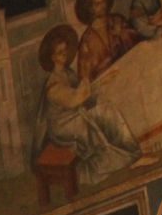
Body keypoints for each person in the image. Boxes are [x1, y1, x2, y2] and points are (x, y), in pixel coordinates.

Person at [35, 24, 143, 188]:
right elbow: (76, 99)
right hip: (63, 126)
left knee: (106, 111)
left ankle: (132, 151)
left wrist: (102, 82)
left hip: (76, 114)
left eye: (65, 50)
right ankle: (120, 162)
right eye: (59, 52)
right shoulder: (53, 85)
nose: (64, 55)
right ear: (52, 57)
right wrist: (86, 77)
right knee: (90, 127)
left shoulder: (68, 73)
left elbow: (85, 94)